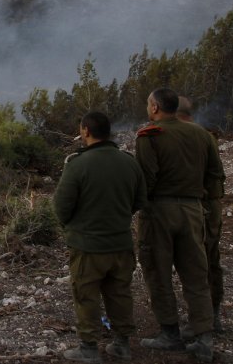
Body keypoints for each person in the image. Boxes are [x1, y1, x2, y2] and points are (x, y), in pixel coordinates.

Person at [135, 88, 225, 362]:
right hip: (194, 210)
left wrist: (138, 207)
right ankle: (204, 337)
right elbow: (215, 176)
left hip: (159, 212)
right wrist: (207, 209)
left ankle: (170, 333)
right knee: (196, 274)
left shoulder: (149, 136)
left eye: (149, 104)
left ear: (155, 108)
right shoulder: (202, 135)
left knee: (157, 272)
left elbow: (146, 180)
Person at [54, 112, 147, 363]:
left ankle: (88, 348)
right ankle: (122, 344)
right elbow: (139, 200)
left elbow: (61, 206)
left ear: (85, 131)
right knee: (119, 293)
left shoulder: (77, 164)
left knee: (86, 294)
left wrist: (73, 227)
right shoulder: (129, 162)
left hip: (87, 246)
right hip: (120, 243)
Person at [177, 96, 225, 334]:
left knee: (195, 262)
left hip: (197, 205)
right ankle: (213, 316)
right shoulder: (206, 136)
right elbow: (218, 172)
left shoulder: (187, 136)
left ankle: (202, 322)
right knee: (210, 259)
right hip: (210, 205)